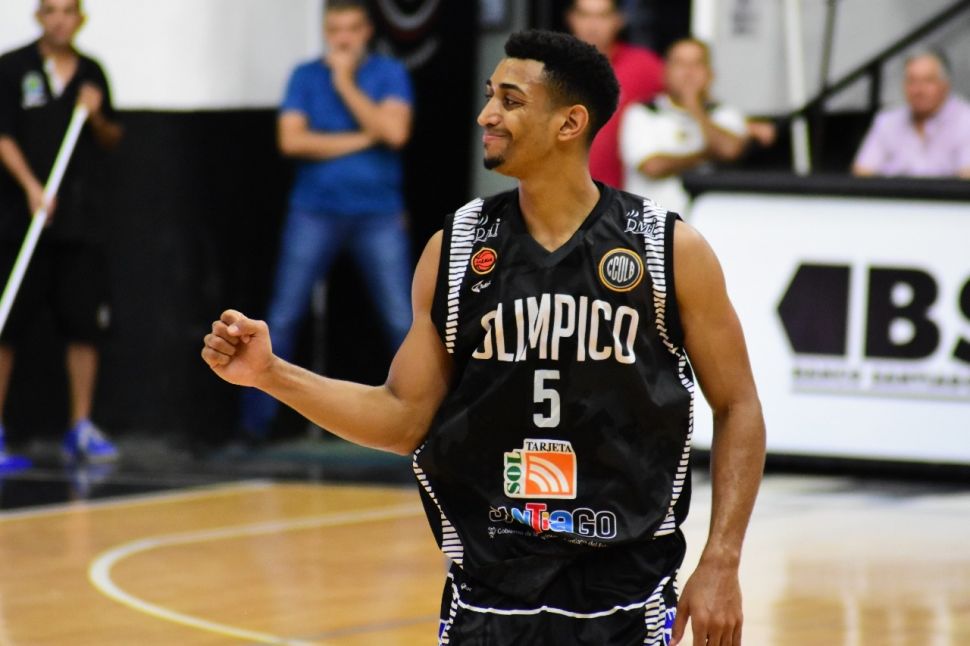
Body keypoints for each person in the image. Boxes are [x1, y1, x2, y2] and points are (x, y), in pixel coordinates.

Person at [203, 29, 765, 645]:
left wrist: (722, 560)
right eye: (489, 95)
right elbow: (401, 419)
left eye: (511, 100)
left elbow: (738, 405)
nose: (486, 115)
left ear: (570, 123)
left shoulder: (665, 248)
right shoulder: (457, 248)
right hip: (488, 593)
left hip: (627, 590)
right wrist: (271, 374)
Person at [238, 0, 414, 440]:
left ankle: (426, 421)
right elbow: (291, 141)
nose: (343, 38)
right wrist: (364, 137)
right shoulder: (304, 75)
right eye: (334, 29)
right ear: (324, 32)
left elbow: (395, 133)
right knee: (282, 317)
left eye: (352, 29)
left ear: (367, 31)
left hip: (378, 214)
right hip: (313, 211)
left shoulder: (390, 74)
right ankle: (256, 428)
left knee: (402, 320)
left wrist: (345, 83)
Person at [0, 0, 123, 470]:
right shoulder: (12, 69)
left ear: (80, 18)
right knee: (7, 324)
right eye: (50, 11)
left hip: (79, 223)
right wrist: (31, 188)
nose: (59, 20)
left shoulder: (92, 73)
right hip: (21, 221)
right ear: (39, 17)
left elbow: (112, 138)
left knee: (84, 326)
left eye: (68, 11)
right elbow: (3, 135)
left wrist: (95, 116)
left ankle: (81, 427)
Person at [619, 37, 750, 217]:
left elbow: (729, 150)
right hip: (650, 226)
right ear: (665, 72)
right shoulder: (643, 112)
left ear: (710, 74)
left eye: (697, 64)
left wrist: (695, 108)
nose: (688, 72)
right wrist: (706, 155)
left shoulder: (724, 114)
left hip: (709, 226)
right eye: (680, 64)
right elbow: (652, 166)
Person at [566, 0, 664, 189]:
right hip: (560, 193)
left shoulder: (644, 66)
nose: (592, 26)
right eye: (585, 15)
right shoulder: (549, 67)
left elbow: (680, 104)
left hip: (621, 195)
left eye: (602, 16)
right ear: (571, 18)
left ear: (619, 20)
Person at [853, 50, 970, 178]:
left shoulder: (965, 120)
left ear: (945, 85)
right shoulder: (887, 121)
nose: (918, 90)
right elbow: (862, 172)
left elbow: (967, 176)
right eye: (912, 81)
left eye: (928, 81)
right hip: (895, 191)